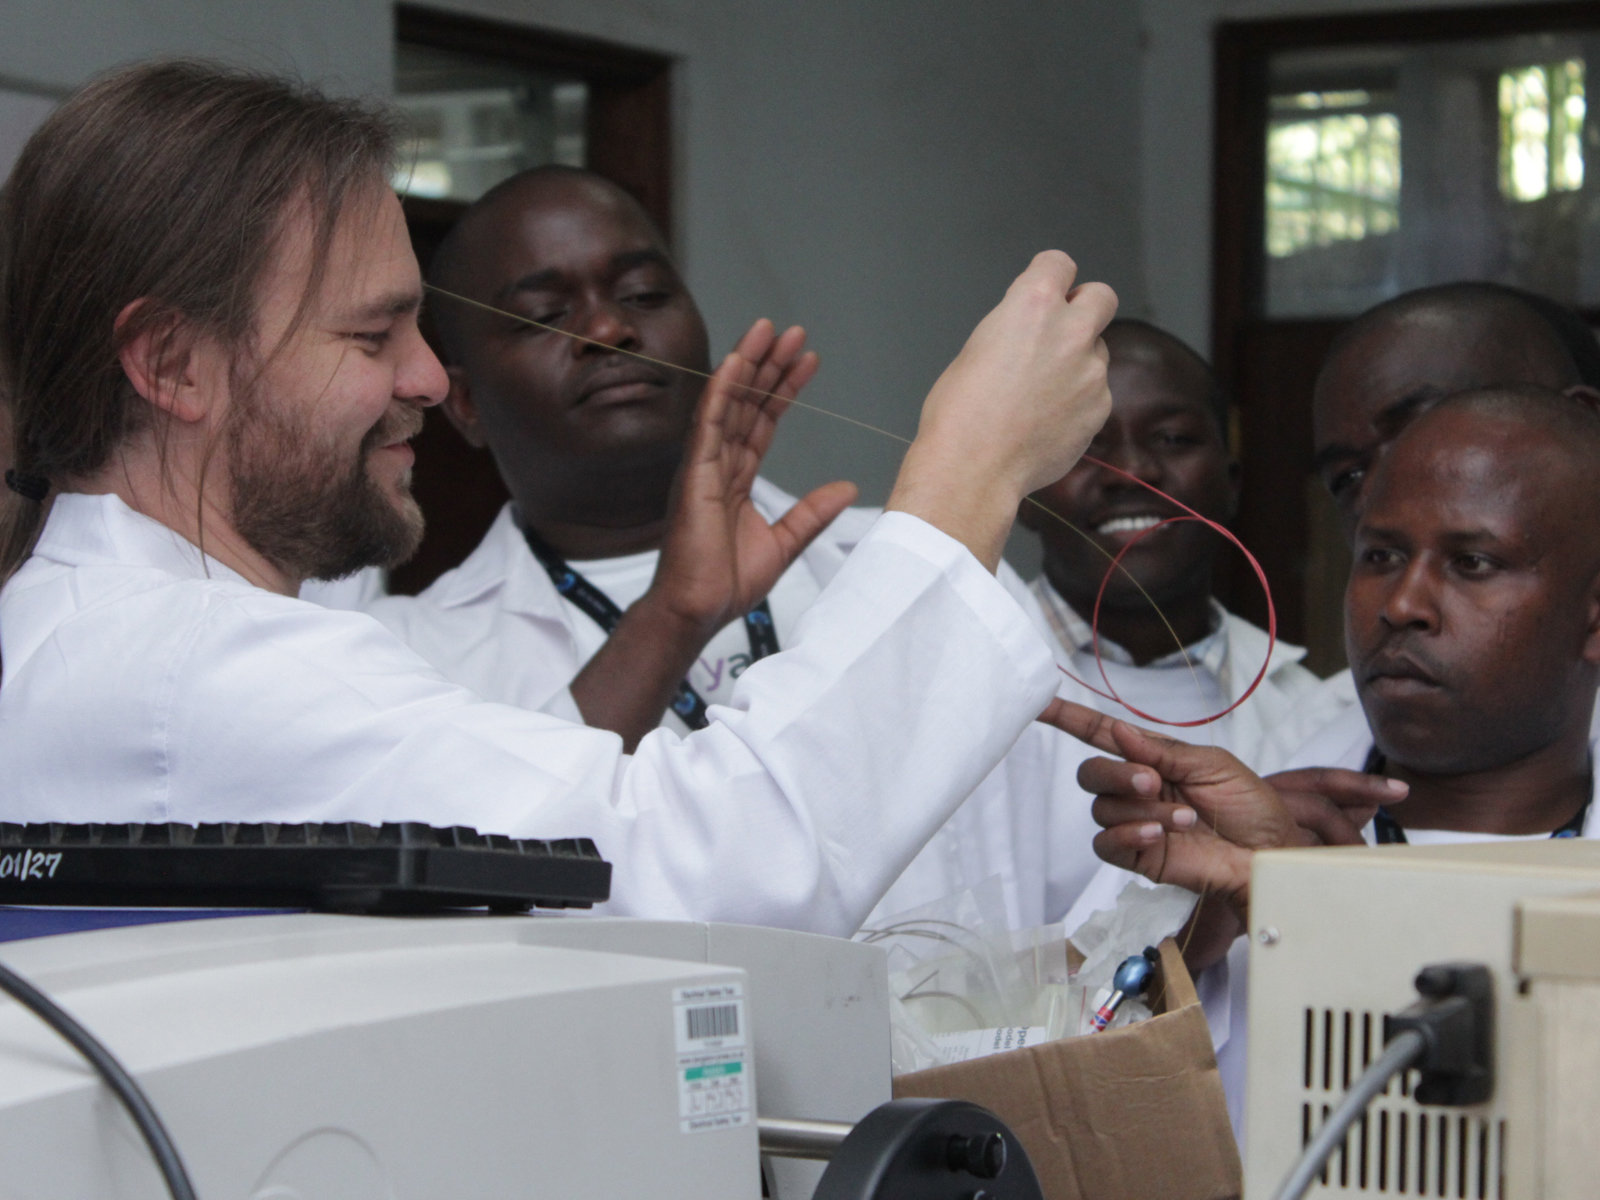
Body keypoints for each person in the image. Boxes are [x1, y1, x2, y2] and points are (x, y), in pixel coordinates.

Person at [0, 60, 1120, 938]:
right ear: (173, 364)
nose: (429, 382)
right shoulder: (201, 664)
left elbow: (485, 831)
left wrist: (673, 614)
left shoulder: (100, 632)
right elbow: (702, 867)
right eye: (368, 334)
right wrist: (969, 478)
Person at [1068, 385, 1600, 1138]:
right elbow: (1045, 1123)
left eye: (1473, 562)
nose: (1404, 602)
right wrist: (1192, 943)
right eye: (1380, 555)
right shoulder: (1215, 835)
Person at [366, 165, 873, 750]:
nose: (608, 327)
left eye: (643, 295)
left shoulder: (888, 567)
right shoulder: (411, 659)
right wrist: (672, 616)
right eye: (545, 315)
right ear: (466, 404)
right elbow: (506, 827)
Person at [866, 321, 1337, 929]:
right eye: (1085, 444)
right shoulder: (940, 696)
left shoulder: (1313, 706)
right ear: (1024, 493)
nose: (1130, 472)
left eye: (1172, 438)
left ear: (1232, 481)